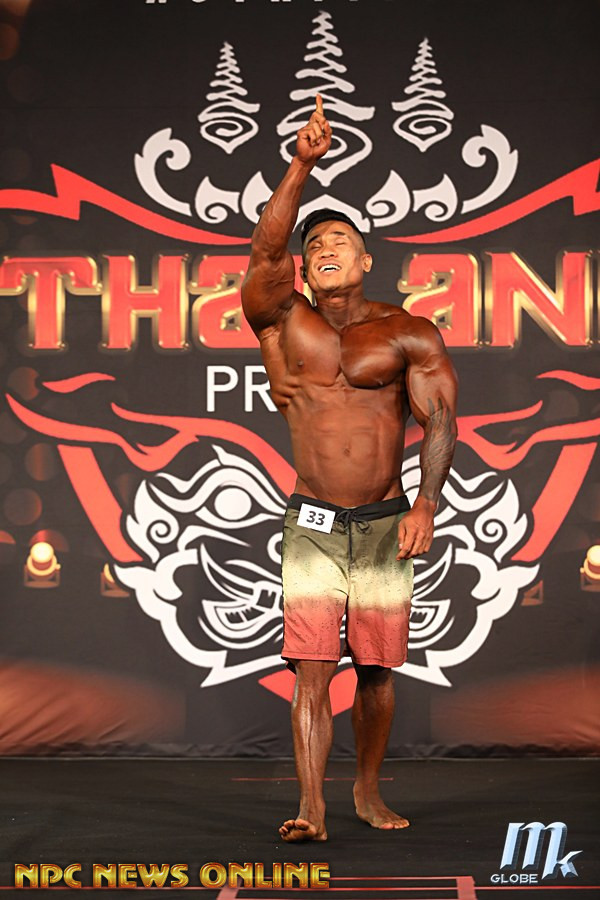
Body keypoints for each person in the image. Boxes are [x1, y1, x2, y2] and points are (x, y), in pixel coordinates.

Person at [241, 95, 458, 842]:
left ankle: (366, 790)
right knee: (310, 668)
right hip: (312, 522)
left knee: (376, 669)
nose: (325, 247)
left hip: (386, 522)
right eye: (316, 244)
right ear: (305, 266)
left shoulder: (408, 331)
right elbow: (265, 254)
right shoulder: (281, 318)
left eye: (341, 239)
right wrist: (300, 164)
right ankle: (311, 807)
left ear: (366, 260)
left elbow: (440, 418)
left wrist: (427, 503)